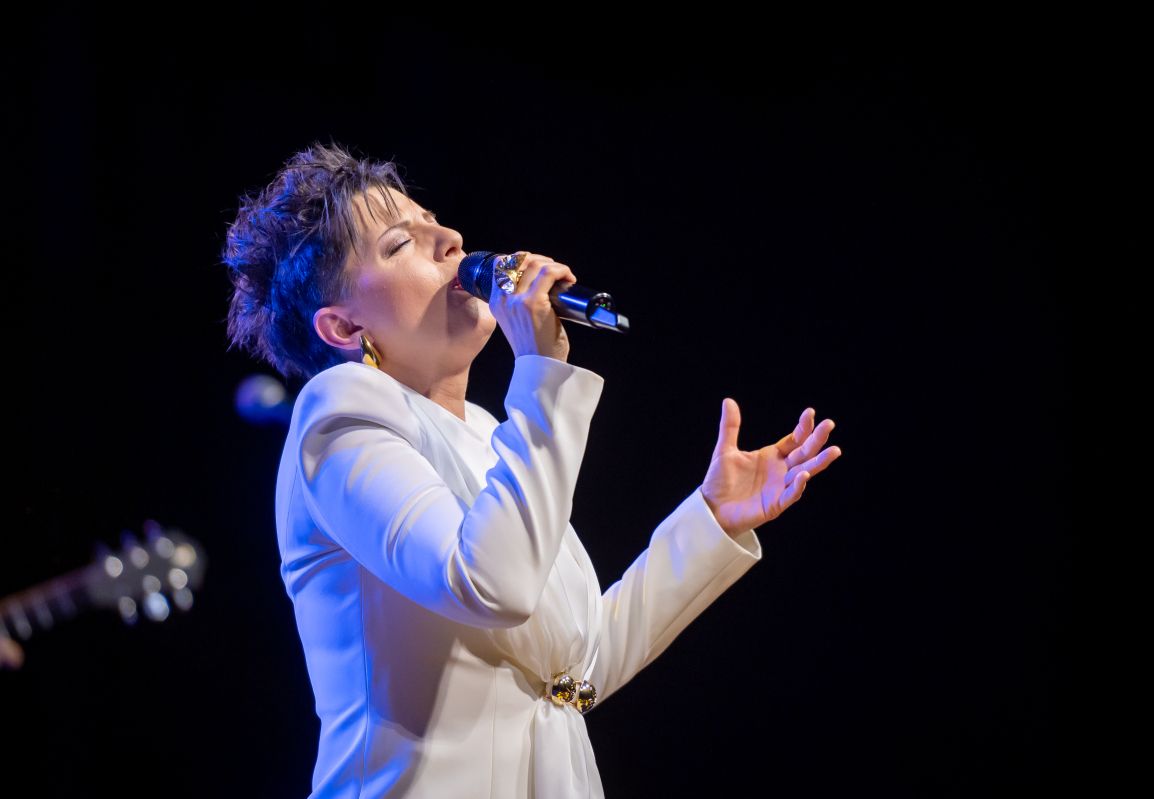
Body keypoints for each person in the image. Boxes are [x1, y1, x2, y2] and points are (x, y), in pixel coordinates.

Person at [221, 140, 842, 798]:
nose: (451, 241)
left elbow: (576, 669)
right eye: (401, 244)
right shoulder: (338, 411)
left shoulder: (492, 434)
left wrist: (711, 519)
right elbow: (489, 585)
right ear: (345, 328)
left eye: (436, 222)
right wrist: (542, 377)